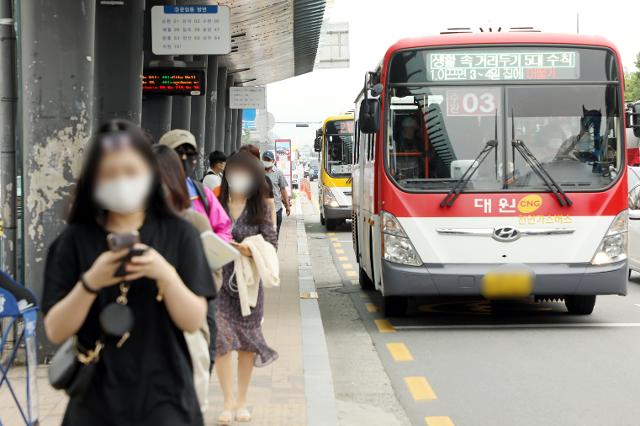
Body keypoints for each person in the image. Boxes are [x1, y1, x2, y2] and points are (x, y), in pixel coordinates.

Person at [42, 120, 214, 426]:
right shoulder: (73, 241)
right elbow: (55, 330)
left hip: (166, 398)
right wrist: (91, 282)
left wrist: (165, 274)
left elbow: (193, 319)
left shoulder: (180, 234)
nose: (121, 181)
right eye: (109, 173)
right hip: (94, 399)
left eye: (131, 172)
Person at [215, 152, 279, 424]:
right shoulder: (216, 203)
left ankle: (241, 400)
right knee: (220, 340)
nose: (238, 178)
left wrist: (249, 249)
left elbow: (271, 245)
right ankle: (227, 401)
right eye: (234, 172)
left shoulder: (261, 207)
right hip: (219, 280)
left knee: (246, 344)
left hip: (249, 283)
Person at [158, 129, 232, 242]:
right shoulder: (148, 190)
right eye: (178, 152)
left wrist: (207, 248)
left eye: (190, 153)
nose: (184, 158)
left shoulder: (202, 193)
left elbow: (224, 229)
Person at [261, 151, 291, 235]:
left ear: (273, 161)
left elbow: (283, 190)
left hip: (276, 208)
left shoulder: (278, 173)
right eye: (265, 159)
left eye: (268, 160)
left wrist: (287, 205)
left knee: (275, 233)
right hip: (262, 209)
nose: (266, 161)